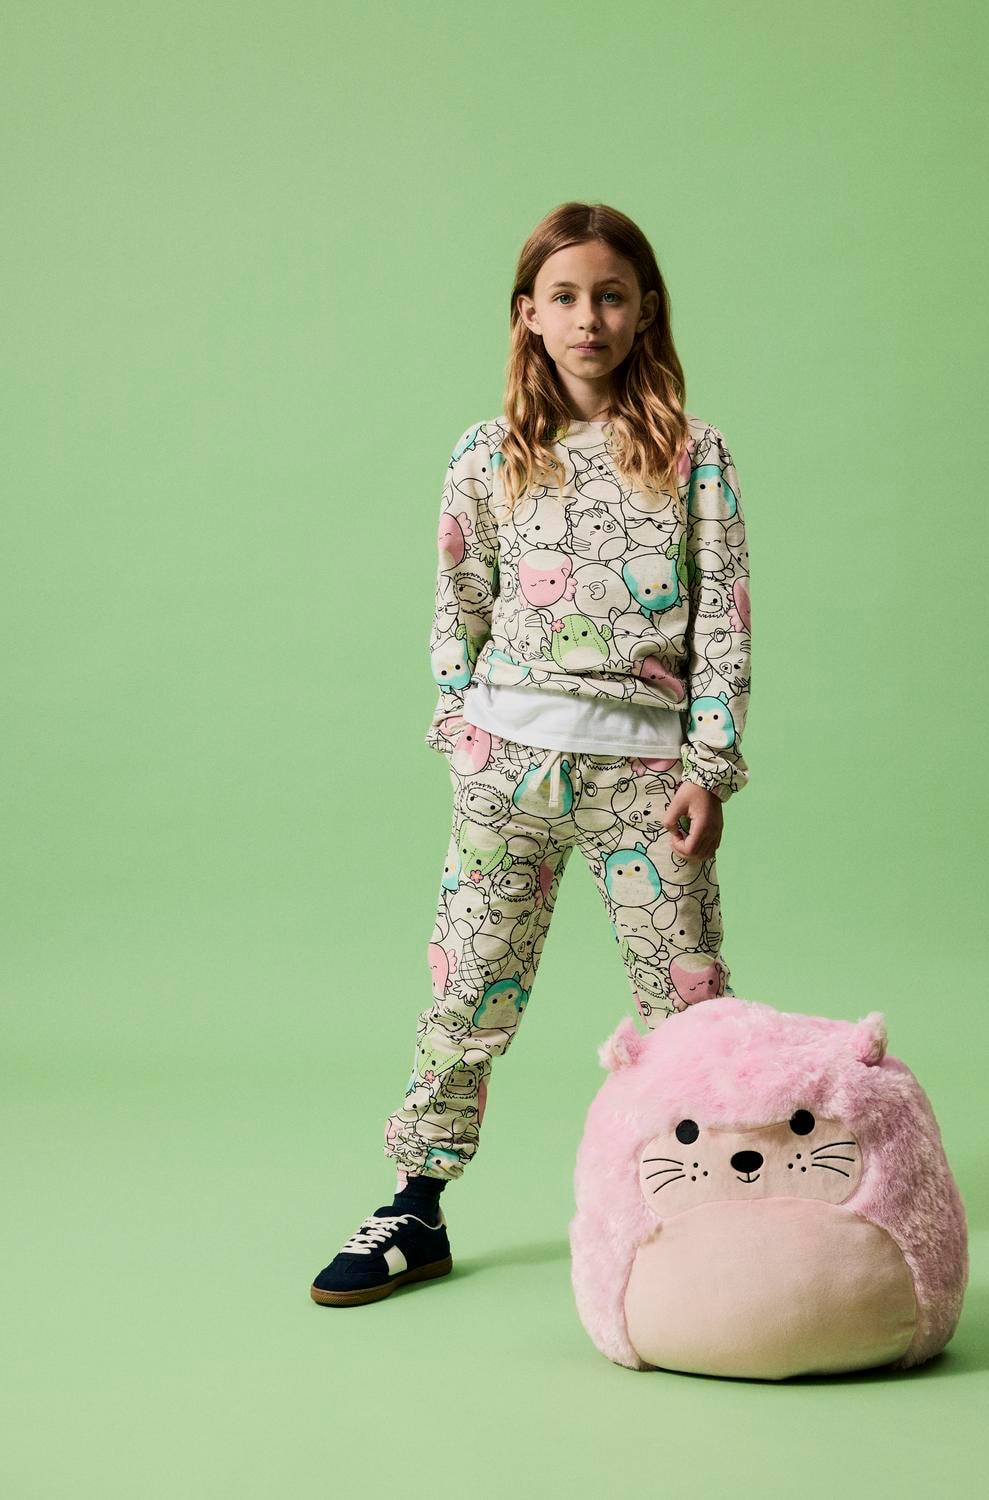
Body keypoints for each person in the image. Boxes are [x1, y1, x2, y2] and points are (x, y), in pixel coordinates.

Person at [310, 201, 751, 1307]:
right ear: (528, 315)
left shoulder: (694, 456)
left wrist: (708, 768)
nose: (588, 317)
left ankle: (717, 1205)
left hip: (646, 782)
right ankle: (416, 1205)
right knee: (466, 991)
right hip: (507, 771)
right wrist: (461, 732)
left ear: (644, 310)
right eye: (565, 297)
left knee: (687, 999)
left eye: (610, 295)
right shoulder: (487, 454)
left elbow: (723, 621)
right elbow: (457, 602)